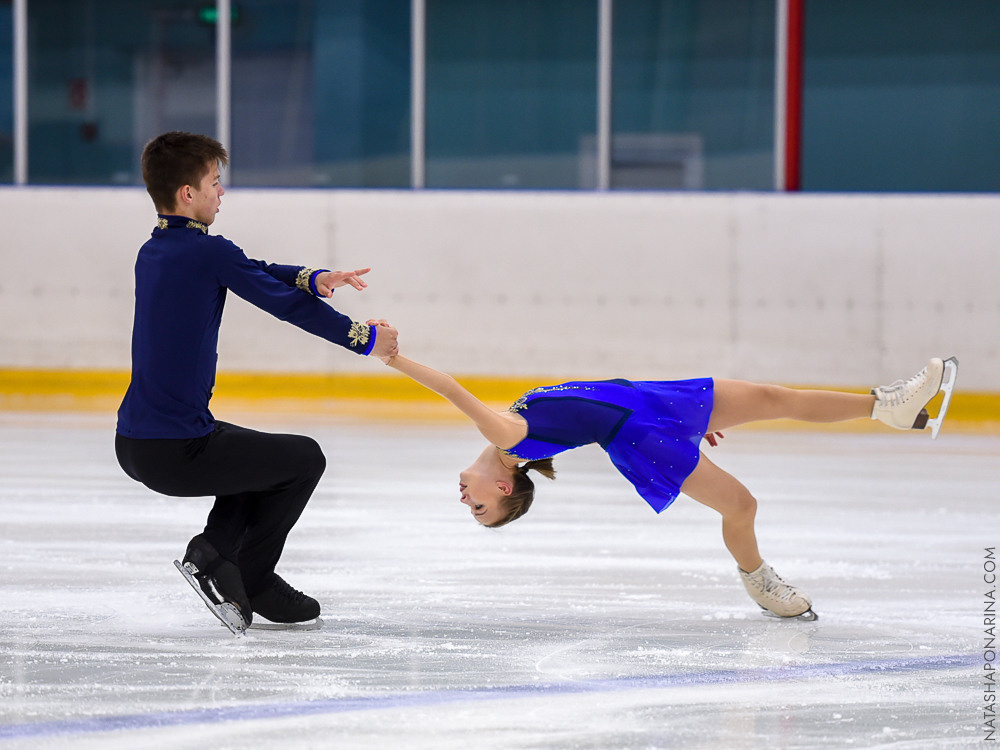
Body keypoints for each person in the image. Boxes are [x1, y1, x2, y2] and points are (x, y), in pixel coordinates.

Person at [376, 341, 956, 620]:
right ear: (505, 489)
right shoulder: (509, 437)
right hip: (643, 437)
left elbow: (595, 399)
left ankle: (891, 406)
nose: (465, 501)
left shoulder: (515, 429)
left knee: (775, 396)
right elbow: (452, 388)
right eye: (479, 510)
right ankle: (759, 580)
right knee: (742, 505)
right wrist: (391, 356)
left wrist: (687, 424)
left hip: (654, 404)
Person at [115, 132, 398, 634]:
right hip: (176, 449)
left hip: (138, 442)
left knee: (259, 459)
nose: (221, 193)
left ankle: (220, 555)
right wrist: (363, 337)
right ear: (188, 193)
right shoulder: (207, 252)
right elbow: (281, 303)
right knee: (303, 459)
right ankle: (251, 575)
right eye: (215, 183)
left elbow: (253, 271)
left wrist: (314, 276)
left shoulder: (156, 249)